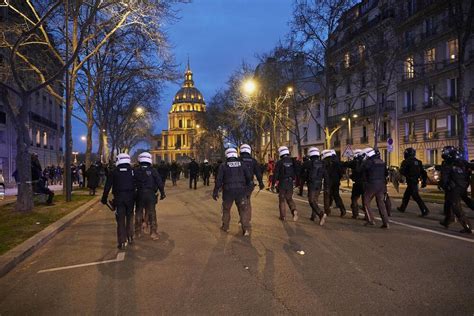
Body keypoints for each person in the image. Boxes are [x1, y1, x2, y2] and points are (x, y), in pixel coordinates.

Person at [212, 147, 253, 236]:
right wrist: (247, 190)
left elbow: (219, 180)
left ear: (227, 155)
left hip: (228, 192)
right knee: (243, 210)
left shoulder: (223, 166)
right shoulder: (242, 164)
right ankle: (245, 229)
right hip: (241, 191)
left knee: (226, 210)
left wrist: (215, 191)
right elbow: (249, 178)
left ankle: (225, 227)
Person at [101, 153, 136, 250]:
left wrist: (104, 198)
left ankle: (121, 241)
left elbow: (107, 186)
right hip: (130, 198)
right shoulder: (132, 171)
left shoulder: (114, 172)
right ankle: (130, 236)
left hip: (119, 198)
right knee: (130, 217)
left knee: (120, 220)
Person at [439, 146, 472, 233]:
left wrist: (443, 185)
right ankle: (448, 220)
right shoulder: (462, 162)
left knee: (456, 207)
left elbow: (444, 178)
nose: (443, 154)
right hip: (462, 187)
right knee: (448, 203)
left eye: (445, 152)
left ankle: (467, 227)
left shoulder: (447, 164)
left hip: (454, 188)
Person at [134, 152, 165, 240]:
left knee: (139, 212)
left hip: (139, 194)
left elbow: (132, 183)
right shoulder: (153, 170)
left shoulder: (135, 171)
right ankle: (153, 232)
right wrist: (162, 193)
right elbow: (159, 182)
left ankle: (138, 232)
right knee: (152, 213)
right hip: (151, 194)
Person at [359, 148, 390, 228]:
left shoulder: (369, 162)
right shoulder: (382, 161)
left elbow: (360, 170)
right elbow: (386, 173)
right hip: (382, 185)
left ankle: (371, 220)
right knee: (381, 203)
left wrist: (362, 161)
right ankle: (386, 222)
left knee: (366, 201)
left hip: (372, 184)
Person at [397, 148, 430, 216]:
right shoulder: (418, 162)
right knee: (406, 195)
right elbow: (423, 172)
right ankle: (402, 208)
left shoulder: (406, 161)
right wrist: (424, 181)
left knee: (416, 196)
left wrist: (402, 175)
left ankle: (424, 210)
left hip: (411, 181)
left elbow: (402, 171)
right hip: (415, 181)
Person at [300, 147, 327, 225]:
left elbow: (302, 173)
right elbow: (325, 174)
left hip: (311, 184)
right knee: (315, 200)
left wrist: (302, 181)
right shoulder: (322, 163)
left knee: (311, 200)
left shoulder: (307, 163)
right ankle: (313, 216)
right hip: (319, 184)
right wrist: (327, 185)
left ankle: (320, 214)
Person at [239, 144, 265, 221]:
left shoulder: (238, 159)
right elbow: (258, 173)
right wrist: (261, 183)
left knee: (241, 202)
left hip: (240, 184)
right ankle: (248, 218)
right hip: (250, 184)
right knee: (248, 200)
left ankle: (243, 219)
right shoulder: (253, 161)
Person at [272, 146, 298, 221]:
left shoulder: (280, 162)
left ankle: (283, 216)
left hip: (282, 183)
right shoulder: (293, 161)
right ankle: (294, 210)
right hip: (290, 182)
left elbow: (276, 174)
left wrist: (273, 184)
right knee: (289, 198)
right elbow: (297, 171)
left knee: (282, 199)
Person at [322, 149, 346, 217]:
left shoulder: (325, 162)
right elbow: (341, 172)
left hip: (328, 181)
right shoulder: (337, 162)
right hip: (336, 181)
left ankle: (327, 211)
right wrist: (338, 178)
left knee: (327, 196)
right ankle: (342, 209)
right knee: (336, 195)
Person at [344, 149, 364, 219]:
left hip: (357, 183)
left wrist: (350, 176)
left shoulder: (354, 162)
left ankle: (355, 214)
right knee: (365, 200)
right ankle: (367, 216)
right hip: (365, 184)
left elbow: (346, 164)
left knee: (354, 199)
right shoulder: (366, 162)